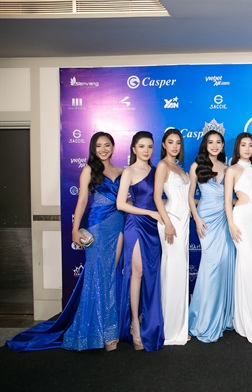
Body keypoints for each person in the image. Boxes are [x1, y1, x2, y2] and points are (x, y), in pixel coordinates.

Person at [7, 132, 125, 352]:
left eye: (107, 145)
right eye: (99, 146)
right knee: (97, 277)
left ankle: (111, 328)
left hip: (118, 226)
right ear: (93, 148)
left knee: (111, 275)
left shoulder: (121, 172)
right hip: (97, 227)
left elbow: (127, 200)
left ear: (113, 147)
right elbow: (82, 200)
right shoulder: (89, 170)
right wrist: (74, 229)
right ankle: (98, 333)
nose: (103, 149)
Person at [117, 131, 165, 352]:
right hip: (135, 224)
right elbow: (121, 204)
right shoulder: (129, 171)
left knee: (150, 274)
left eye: (150, 146)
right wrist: (148, 213)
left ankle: (147, 319)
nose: (146, 150)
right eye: (142, 146)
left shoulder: (157, 171)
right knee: (136, 272)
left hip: (154, 227)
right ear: (134, 149)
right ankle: (134, 325)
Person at [188, 126, 236, 343]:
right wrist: (197, 219)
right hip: (206, 220)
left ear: (223, 146)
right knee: (211, 267)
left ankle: (222, 316)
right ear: (205, 145)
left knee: (225, 264)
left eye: (218, 142)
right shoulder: (196, 166)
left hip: (225, 219)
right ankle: (205, 320)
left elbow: (229, 198)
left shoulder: (228, 168)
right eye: (210, 142)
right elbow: (190, 196)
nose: (215, 146)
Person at [226, 133, 252, 344]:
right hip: (241, 220)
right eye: (243, 145)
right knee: (247, 265)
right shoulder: (232, 170)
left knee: (251, 267)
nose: (247, 148)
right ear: (237, 147)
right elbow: (227, 201)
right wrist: (231, 224)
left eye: (250, 145)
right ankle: (247, 321)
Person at [154, 128, 190, 345]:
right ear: (164, 145)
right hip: (172, 222)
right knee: (173, 271)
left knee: (180, 272)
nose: (175, 146)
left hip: (184, 222)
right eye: (170, 142)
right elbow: (157, 197)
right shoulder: (162, 165)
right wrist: (167, 223)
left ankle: (180, 325)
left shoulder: (179, 167)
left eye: (178, 142)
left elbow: (186, 198)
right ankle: (170, 329)